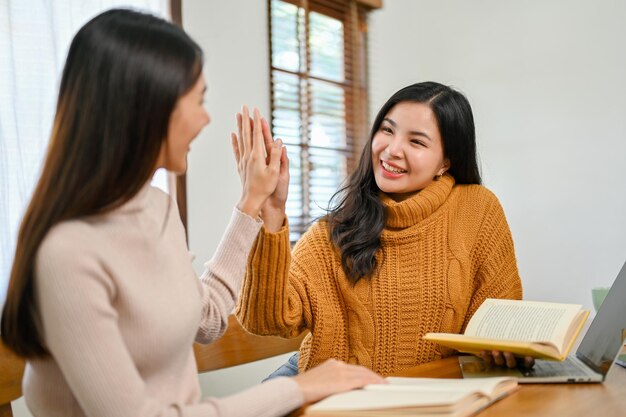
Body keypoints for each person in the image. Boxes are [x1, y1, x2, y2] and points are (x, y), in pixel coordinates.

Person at [0, 9, 384, 417]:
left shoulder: (155, 208)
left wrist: (254, 201)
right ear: (147, 107)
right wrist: (300, 388)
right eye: (197, 100)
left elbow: (209, 319)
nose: (205, 118)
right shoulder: (66, 254)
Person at [235, 81, 531, 379]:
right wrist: (271, 211)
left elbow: (499, 313)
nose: (391, 150)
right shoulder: (334, 233)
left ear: (445, 162)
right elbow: (264, 321)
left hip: (437, 401)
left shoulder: (477, 210)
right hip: (335, 398)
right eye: (387, 130)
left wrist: (503, 345)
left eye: (417, 142)